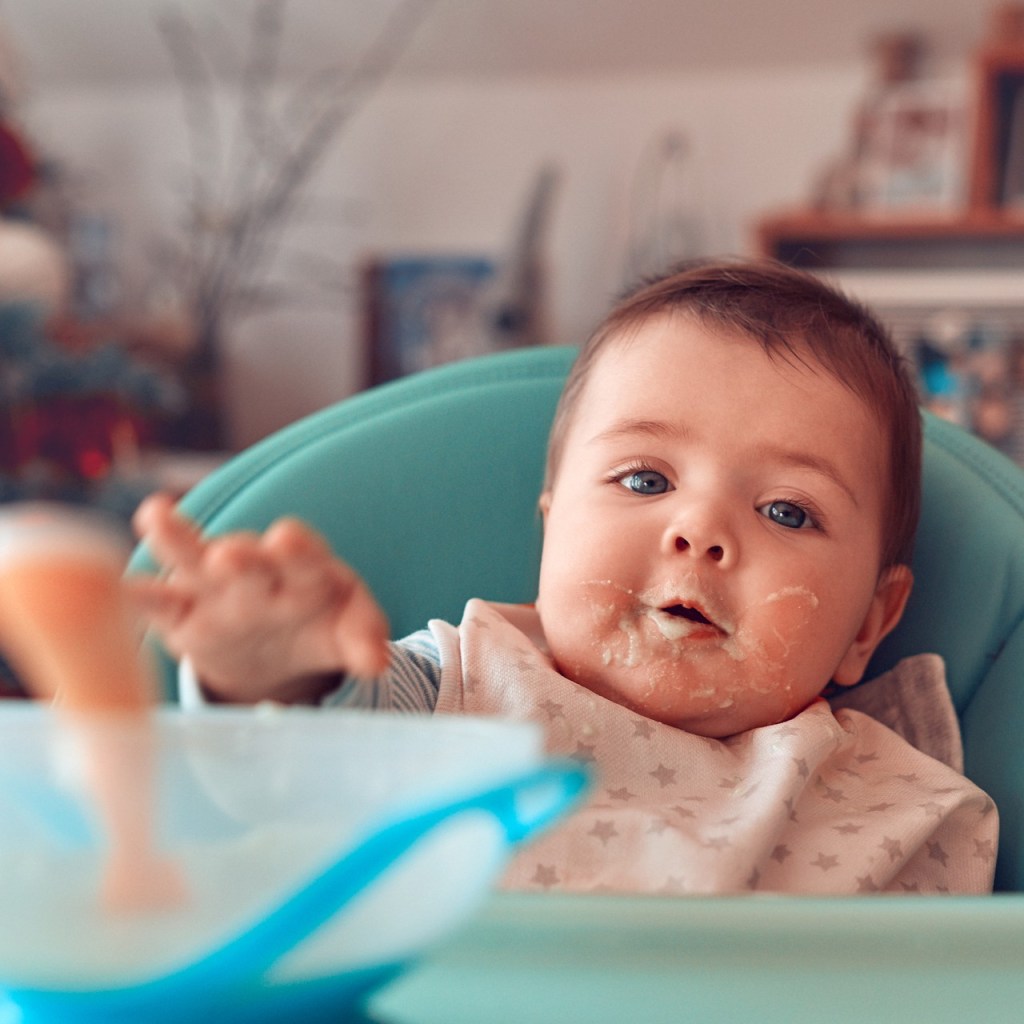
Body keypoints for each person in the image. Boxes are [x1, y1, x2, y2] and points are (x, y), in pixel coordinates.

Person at [132, 258, 998, 895]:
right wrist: (270, 662)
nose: (698, 530)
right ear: (551, 527)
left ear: (867, 626)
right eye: (646, 480)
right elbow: (296, 764)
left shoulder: (892, 801)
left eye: (786, 511)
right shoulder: (452, 692)